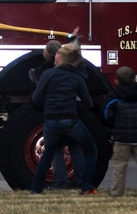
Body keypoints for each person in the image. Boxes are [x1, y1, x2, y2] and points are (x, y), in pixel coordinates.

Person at [29, 42, 98, 195]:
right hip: (70, 120)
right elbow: (88, 103)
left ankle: (36, 189)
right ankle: (85, 186)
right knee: (90, 149)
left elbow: (35, 98)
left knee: (48, 153)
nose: (56, 55)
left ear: (61, 58)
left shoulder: (47, 74)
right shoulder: (77, 77)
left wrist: (48, 105)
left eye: (58, 53)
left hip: (50, 121)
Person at [103, 66, 137, 197]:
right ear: (134, 78)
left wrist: (113, 125)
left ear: (116, 81)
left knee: (120, 165)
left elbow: (106, 114)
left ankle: (117, 192)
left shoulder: (114, 96)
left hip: (121, 137)